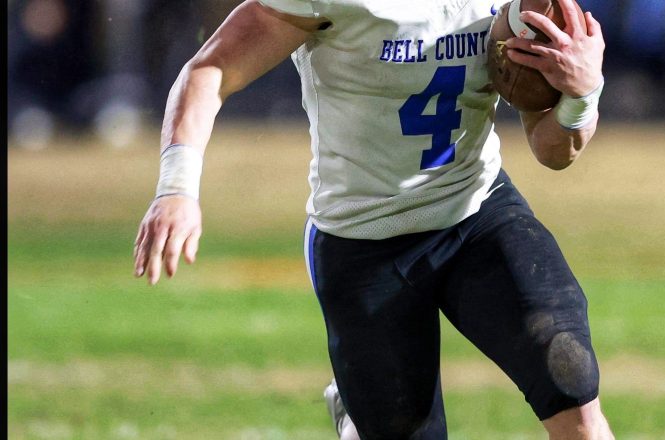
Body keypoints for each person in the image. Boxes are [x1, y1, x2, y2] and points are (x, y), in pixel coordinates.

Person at [133, 0, 614, 438]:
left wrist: (582, 95)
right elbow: (212, 69)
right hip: (363, 239)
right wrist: (176, 188)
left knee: (570, 379)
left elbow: (552, 150)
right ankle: (357, 417)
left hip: (474, 212)